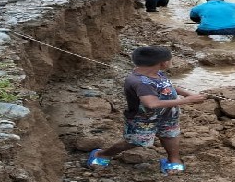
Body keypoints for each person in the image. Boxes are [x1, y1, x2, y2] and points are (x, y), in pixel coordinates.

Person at [86, 46, 207, 174]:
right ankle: (102, 154)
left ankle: (174, 159)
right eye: (171, 60)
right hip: (143, 119)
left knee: (170, 135)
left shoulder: (156, 73)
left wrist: (187, 94)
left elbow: (168, 86)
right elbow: (151, 104)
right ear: (163, 63)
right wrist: (187, 101)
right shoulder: (141, 82)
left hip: (168, 114)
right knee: (135, 140)